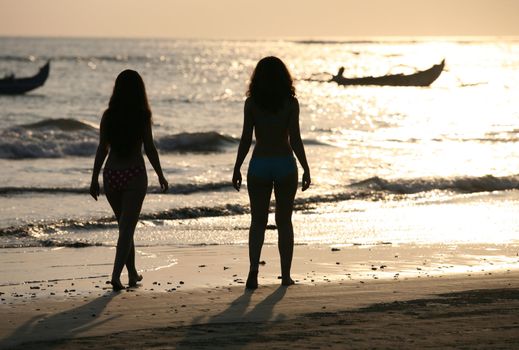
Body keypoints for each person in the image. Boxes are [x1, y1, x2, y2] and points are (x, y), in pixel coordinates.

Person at [232, 56, 311, 289]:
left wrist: (237, 167)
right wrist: (306, 167)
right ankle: (285, 276)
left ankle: (253, 272)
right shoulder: (291, 102)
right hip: (285, 164)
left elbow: (246, 139)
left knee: (257, 221)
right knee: (284, 222)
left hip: (259, 165)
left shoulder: (252, 103)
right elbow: (295, 139)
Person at [90, 70, 168, 291]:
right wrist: (160, 174)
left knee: (125, 227)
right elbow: (150, 148)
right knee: (126, 229)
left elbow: (102, 148)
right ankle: (116, 276)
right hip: (134, 174)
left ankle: (132, 273)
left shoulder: (108, 115)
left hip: (112, 175)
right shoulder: (142, 115)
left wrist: (95, 177)